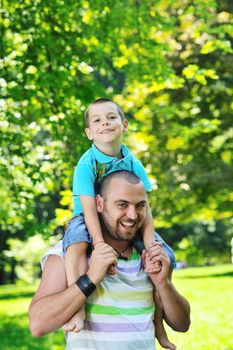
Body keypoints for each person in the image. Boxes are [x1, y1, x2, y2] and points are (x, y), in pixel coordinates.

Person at [29, 171, 191, 350]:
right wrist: (90, 278)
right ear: (99, 203)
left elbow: (182, 324)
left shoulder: (150, 254)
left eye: (140, 206)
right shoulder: (70, 253)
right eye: (122, 204)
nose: (132, 215)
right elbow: (38, 324)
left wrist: (163, 284)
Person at [62, 98, 175, 348]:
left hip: (123, 219)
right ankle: (77, 307)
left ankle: (158, 324)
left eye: (111, 118)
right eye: (97, 120)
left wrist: (150, 244)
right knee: (76, 245)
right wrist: (100, 244)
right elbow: (90, 208)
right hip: (87, 217)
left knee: (164, 256)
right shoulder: (85, 164)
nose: (105, 123)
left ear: (124, 125)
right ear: (89, 133)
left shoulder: (132, 162)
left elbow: (145, 206)